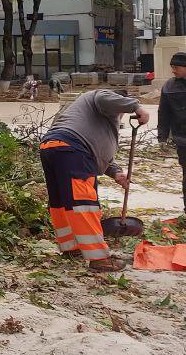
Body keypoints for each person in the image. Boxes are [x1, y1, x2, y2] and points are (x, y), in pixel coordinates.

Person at [39, 89, 149, 273]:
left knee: (61, 203)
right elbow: (102, 96)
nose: (121, 114)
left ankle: (71, 248)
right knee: (84, 203)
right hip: (72, 150)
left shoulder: (94, 119)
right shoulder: (99, 98)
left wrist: (116, 173)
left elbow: (98, 152)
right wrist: (136, 106)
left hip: (52, 147)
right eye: (121, 108)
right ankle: (99, 258)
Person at [157, 51, 186, 211]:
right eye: (172, 67)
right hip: (183, 140)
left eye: (176, 67)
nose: (173, 70)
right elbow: (163, 113)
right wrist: (162, 137)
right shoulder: (169, 86)